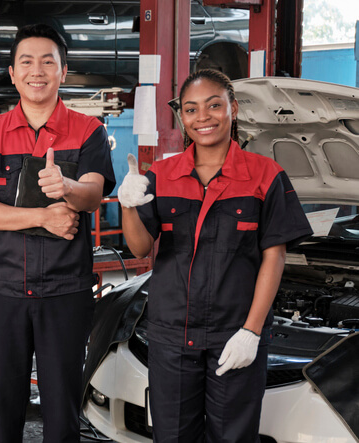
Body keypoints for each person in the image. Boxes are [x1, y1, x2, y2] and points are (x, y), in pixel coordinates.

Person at [118, 69, 313, 442]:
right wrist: (128, 206)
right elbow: (140, 247)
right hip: (171, 335)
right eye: (191, 109)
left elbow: (274, 257)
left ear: (233, 109)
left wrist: (251, 332)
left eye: (213, 105)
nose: (202, 117)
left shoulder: (265, 176)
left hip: (233, 333)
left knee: (233, 438)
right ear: (182, 118)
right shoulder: (162, 175)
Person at [0, 23, 115, 442]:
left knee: (62, 415)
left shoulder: (88, 131)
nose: (37, 70)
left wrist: (67, 187)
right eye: (26, 61)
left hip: (65, 292)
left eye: (49, 61)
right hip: (3, 291)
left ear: (64, 72)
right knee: (3, 410)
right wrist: (41, 216)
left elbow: (94, 193)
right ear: (12, 73)